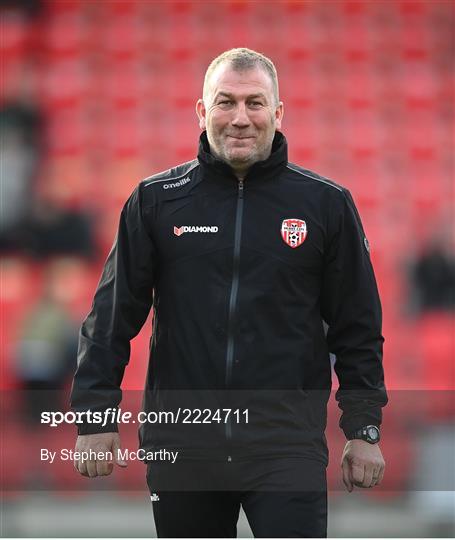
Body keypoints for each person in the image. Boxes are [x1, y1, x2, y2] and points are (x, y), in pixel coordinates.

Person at [71, 48, 387, 538]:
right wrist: (95, 417)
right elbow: (109, 320)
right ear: (202, 111)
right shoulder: (156, 201)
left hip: (286, 445)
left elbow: (357, 328)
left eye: (255, 103)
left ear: (278, 114)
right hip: (183, 444)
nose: (240, 118)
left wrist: (363, 428)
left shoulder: (326, 204)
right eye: (225, 102)